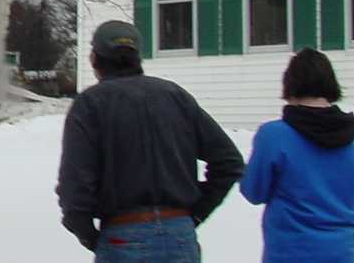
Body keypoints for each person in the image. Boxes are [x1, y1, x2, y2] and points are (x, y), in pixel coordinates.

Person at [57, 20, 244, 261]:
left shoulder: (90, 105)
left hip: (121, 234)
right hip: (180, 236)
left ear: (94, 59)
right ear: (138, 57)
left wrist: (88, 234)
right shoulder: (175, 96)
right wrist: (194, 214)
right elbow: (229, 162)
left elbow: (75, 184)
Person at [240, 48, 354, 263]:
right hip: (342, 252)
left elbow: (254, 192)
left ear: (290, 85)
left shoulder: (274, 135)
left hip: (289, 252)